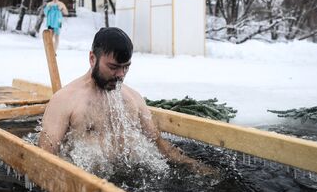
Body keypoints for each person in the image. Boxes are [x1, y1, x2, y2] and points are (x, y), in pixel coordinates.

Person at [38, 27, 214, 175]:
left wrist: (194, 165)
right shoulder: (65, 100)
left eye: (126, 67)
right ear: (92, 58)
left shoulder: (133, 99)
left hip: (130, 176)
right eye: (113, 67)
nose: (121, 75)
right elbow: (46, 157)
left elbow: (158, 143)